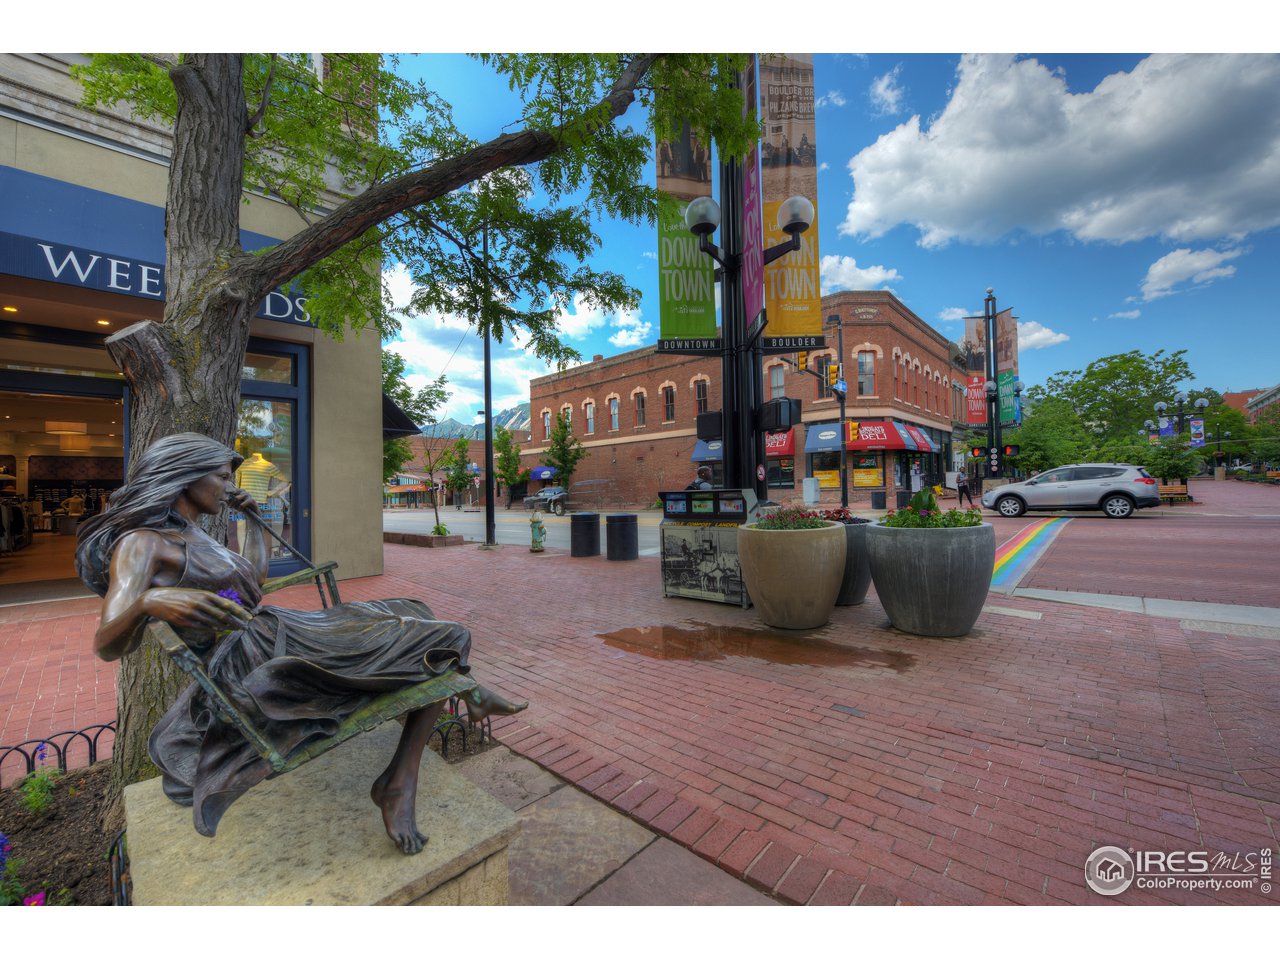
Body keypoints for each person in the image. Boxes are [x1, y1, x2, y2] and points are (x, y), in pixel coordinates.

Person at [75, 433, 527, 855]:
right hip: (261, 655)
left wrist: (253, 523)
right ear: (186, 476)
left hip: (276, 629)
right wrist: (150, 601)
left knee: (414, 609)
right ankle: (400, 782)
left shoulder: (195, 533)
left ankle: (466, 697)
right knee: (449, 637)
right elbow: (106, 643)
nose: (229, 487)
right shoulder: (141, 544)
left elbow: (250, 588)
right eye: (222, 477)